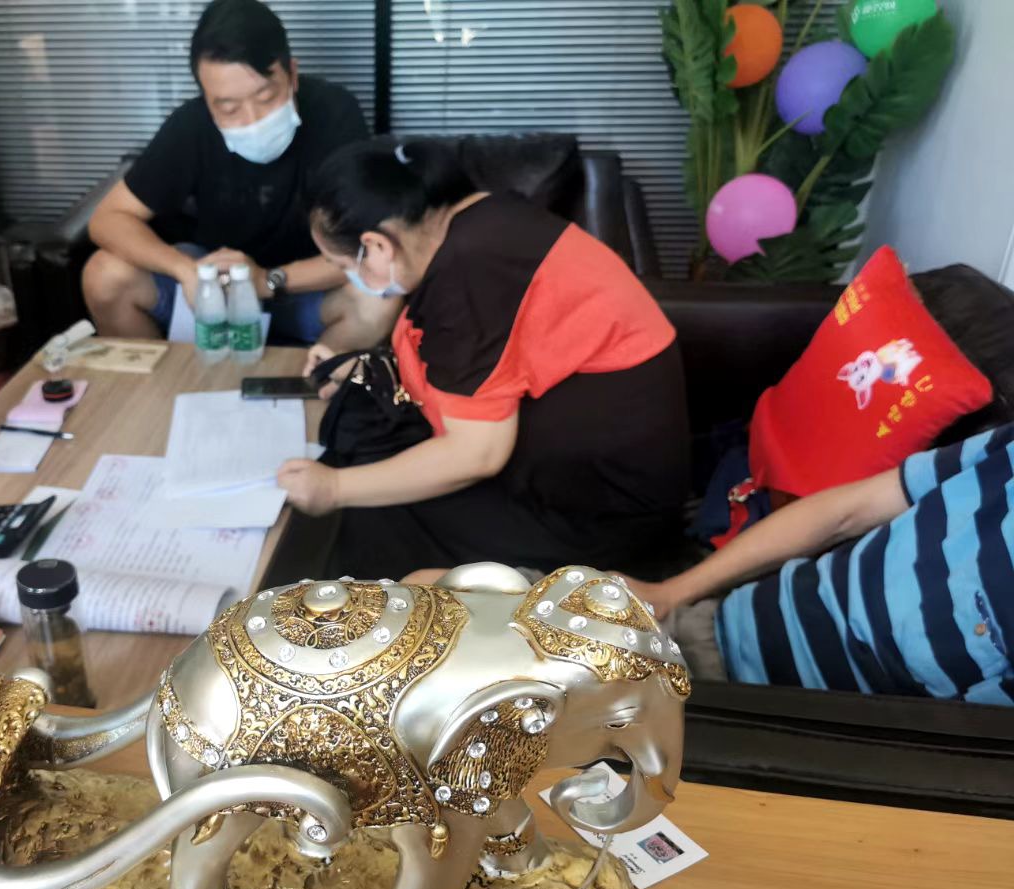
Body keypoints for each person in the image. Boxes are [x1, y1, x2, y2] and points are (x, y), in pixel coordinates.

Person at [276, 137, 690, 580]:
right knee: (365, 445)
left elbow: (477, 455)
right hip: (569, 472)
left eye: (343, 265)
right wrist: (376, 372)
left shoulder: (469, 274)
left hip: (596, 515)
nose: (349, 277)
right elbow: (468, 359)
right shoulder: (482, 218)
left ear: (376, 246)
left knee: (369, 507)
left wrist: (334, 489)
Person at [410, 422, 1014, 705]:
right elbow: (846, 511)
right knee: (430, 597)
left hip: (780, 717)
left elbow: (951, 750)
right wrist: (674, 591)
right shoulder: (1004, 449)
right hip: (713, 623)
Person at [82, 0, 393, 349]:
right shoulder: (191, 125)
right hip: (213, 287)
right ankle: (164, 383)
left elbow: (369, 246)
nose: (251, 120)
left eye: (266, 97)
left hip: (300, 285)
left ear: (291, 75)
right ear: (207, 100)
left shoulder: (334, 113)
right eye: (229, 108)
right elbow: (108, 219)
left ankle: (311, 379)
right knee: (104, 276)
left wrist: (268, 280)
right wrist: (185, 270)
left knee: (380, 300)